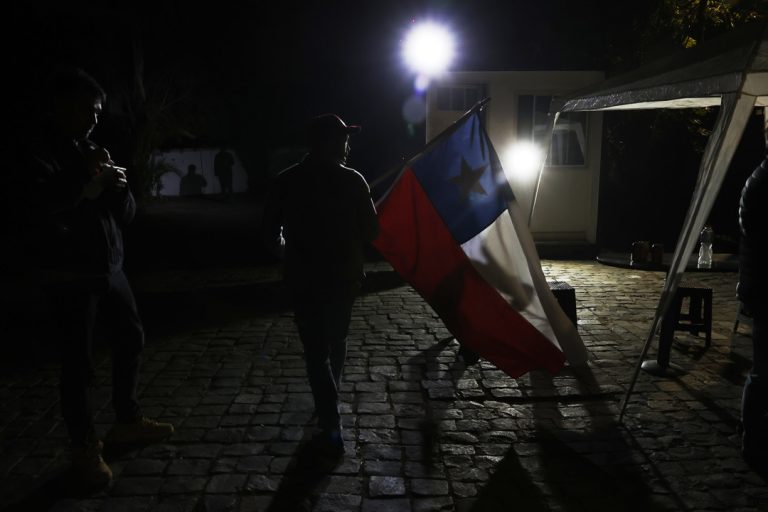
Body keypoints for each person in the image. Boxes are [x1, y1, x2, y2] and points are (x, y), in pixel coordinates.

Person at [10, 67, 173, 487]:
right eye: (86, 109)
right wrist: (85, 179)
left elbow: (126, 215)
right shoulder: (35, 152)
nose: (94, 118)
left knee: (131, 339)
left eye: (98, 110)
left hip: (109, 266)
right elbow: (35, 208)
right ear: (59, 107)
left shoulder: (94, 149)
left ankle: (127, 419)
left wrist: (118, 187)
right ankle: (85, 448)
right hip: (67, 271)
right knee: (78, 365)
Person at [262, 114, 378, 456]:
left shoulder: (287, 181)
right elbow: (372, 232)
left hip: (305, 277)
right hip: (343, 277)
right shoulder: (354, 181)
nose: (347, 144)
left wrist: (287, 252)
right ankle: (330, 413)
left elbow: (269, 233)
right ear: (330, 142)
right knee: (333, 342)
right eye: (343, 138)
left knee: (317, 351)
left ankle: (329, 413)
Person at [738, 148, 768, 471]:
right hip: (764, 291)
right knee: (763, 372)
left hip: (759, 288)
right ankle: (753, 438)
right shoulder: (762, 183)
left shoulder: (759, 178)